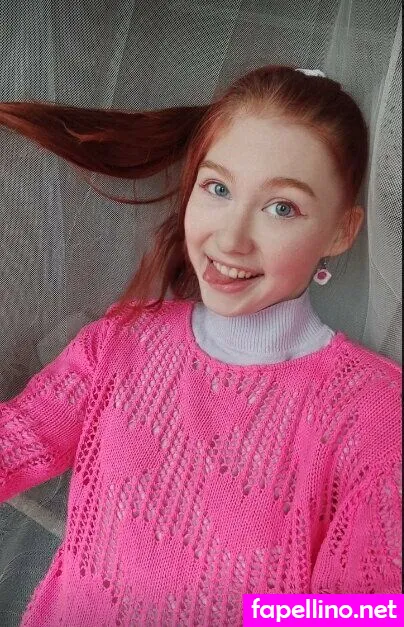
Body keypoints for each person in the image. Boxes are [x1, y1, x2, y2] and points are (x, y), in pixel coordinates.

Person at [0, 65, 401, 626]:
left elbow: (367, 610)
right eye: (218, 188)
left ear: (341, 231)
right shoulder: (122, 341)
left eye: (281, 207)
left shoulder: (374, 410)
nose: (231, 238)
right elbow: (17, 439)